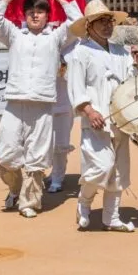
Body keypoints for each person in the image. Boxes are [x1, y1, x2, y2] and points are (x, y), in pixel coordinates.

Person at [0, 0, 81, 218]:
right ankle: (16, 189)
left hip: (43, 103)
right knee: (7, 151)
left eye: (40, 11)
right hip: (15, 101)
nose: (35, 15)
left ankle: (29, 202)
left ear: (48, 15)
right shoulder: (14, 35)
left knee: (36, 155)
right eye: (30, 12)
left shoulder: (56, 38)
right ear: (24, 15)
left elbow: (78, 22)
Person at [67, 0, 138, 232]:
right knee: (100, 166)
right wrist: (88, 110)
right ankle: (84, 202)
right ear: (89, 25)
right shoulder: (81, 53)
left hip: (120, 118)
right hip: (96, 119)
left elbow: (132, 81)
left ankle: (112, 217)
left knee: (118, 170)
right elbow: (76, 87)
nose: (107, 26)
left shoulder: (120, 51)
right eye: (101, 21)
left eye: (109, 21)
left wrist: (137, 63)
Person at [47, 43, 76, 194]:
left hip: (63, 103)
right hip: (43, 104)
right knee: (46, 144)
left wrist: (61, 63)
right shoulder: (43, 43)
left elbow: (73, 77)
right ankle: (52, 172)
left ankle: (58, 177)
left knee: (60, 144)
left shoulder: (73, 49)